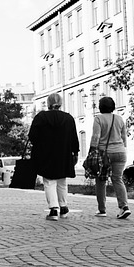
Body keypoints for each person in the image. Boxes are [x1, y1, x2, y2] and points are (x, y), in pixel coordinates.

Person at [29, 93, 79, 221]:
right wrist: (75, 152)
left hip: (46, 153)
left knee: (49, 181)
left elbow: (32, 136)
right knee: (62, 181)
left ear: (48, 103)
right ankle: (63, 207)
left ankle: (53, 209)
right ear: (60, 103)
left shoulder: (41, 117)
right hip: (64, 153)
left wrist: (41, 145)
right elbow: (74, 138)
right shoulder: (68, 118)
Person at [90, 96, 131, 219]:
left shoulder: (98, 119)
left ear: (100, 107)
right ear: (113, 107)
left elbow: (96, 137)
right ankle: (124, 207)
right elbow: (124, 138)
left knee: (101, 180)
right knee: (118, 179)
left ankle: (102, 210)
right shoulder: (119, 119)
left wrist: (92, 151)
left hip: (104, 154)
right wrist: (121, 147)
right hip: (120, 152)